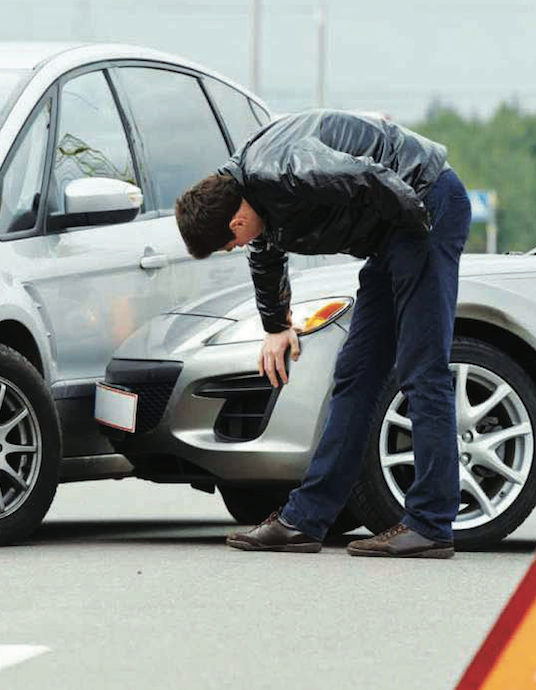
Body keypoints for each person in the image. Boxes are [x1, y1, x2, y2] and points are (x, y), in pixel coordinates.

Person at [175, 109, 471, 559]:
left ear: (235, 222)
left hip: (424, 207)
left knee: (421, 366)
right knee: (355, 373)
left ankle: (430, 523)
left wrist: (418, 241)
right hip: (393, 232)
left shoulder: (287, 170)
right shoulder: (247, 189)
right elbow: (266, 254)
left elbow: (370, 177)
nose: (236, 248)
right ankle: (305, 520)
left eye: (228, 244)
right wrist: (275, 326)